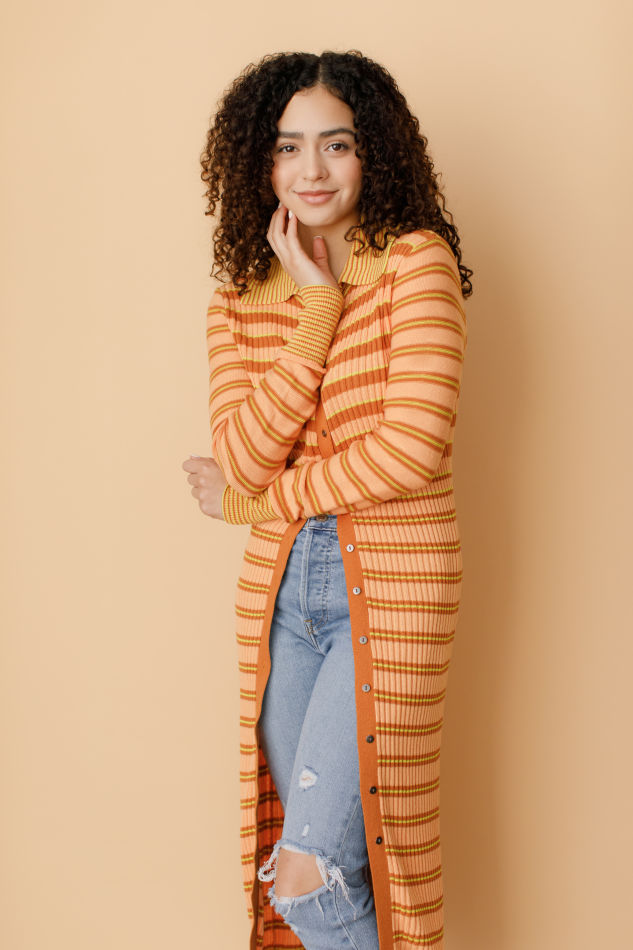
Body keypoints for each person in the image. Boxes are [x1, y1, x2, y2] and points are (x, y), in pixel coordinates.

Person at [182, 49, 473, 950]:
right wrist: (315, 306)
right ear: (259, 162)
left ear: (372, 152)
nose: (311, 169)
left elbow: (408, 451)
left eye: (336, 144)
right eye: (287, 147)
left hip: (392, 587)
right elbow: (242, 455)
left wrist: (250, 507)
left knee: (314, 874)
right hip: (279, 599)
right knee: (313, 869)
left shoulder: (415, 266)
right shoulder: (239, 302)